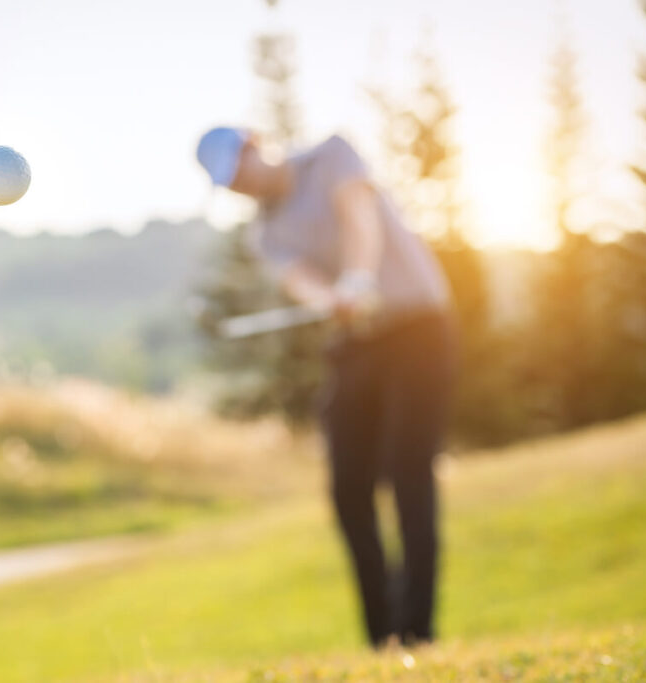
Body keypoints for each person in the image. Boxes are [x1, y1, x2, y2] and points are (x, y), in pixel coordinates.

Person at [196, 127, 458, 647]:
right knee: (347, 487)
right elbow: (299, 280)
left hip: (418, 325)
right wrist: (331, 300)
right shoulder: (264, 231)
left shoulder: (331, 156)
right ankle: (382, 637)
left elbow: (358, 216)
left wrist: (359, 277)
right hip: (357, 339)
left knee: (408, 472)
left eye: (239, 173)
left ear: (255, 145)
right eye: (229, 186)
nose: (240, 189)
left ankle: (417, 631)